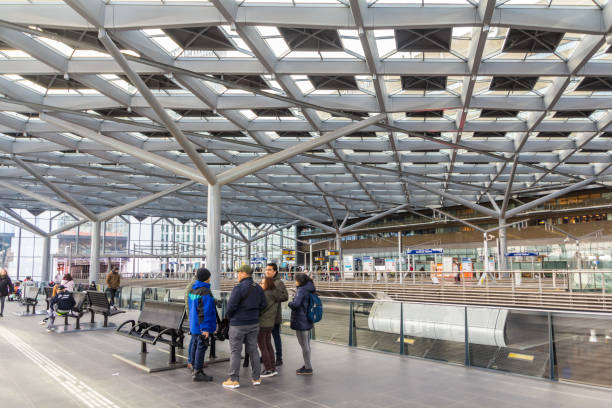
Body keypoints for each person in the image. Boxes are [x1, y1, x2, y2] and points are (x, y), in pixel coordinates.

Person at [222, 264, 266, 389]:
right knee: (253, 350)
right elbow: (264, 304)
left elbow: (230, 306)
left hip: (238, 324)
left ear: (243, 273)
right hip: (254, 323)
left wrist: (230, 317)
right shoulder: (257, 287)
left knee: (235, 351)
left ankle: (234, 379)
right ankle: (256, 378)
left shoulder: (239, 288)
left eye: (239, 273)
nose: (237, 275)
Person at [187, 267, 216, 382]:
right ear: (207, 278)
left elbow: (193, 308)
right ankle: (198, 372)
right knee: (201, 346)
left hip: (194, 324)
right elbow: (205, 311)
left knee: (195, 345)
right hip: (201, 326)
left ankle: (195, 368)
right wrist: (205, 328)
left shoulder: (193, 290)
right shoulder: (204, 291)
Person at [289, 273, 316, 375]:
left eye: (295, 280)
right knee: (307, 344)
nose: (295, 281)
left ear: (300, 281)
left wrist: (290, 302)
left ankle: (308, 368)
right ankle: (307, 364)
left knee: (304, 345)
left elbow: (296, 304)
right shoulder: (310, 288)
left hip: (301, 320)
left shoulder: (302, 290)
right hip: (308, 318)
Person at [265, 263, 288, 366]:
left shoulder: (279, 283)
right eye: (266, 270)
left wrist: (274, 296)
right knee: (265, 337)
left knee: (276, 336)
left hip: (274, 316)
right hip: (264, 316)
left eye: (269, 270)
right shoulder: (265, 281)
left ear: (275, 271)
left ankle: (279, 357)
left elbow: (285, 296)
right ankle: (266, 356)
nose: (267, 271)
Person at [258, 276, 280, 377]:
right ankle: (273, 368)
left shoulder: (265, 294)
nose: (260, 285)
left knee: (263, 346)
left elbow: (260, 309)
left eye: (262, 283)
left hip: (262, 323)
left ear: (268, 284)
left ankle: (268, 369)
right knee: (268, 345)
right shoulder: (274, 294)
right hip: (270, 323)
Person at [184, 269, 198, 370]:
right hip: (195, 317)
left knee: (195, 339)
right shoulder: (195, 287)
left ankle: (194, 361)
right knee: (195, 340)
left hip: (192, 316)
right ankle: (192, 361)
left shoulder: (191, 285)